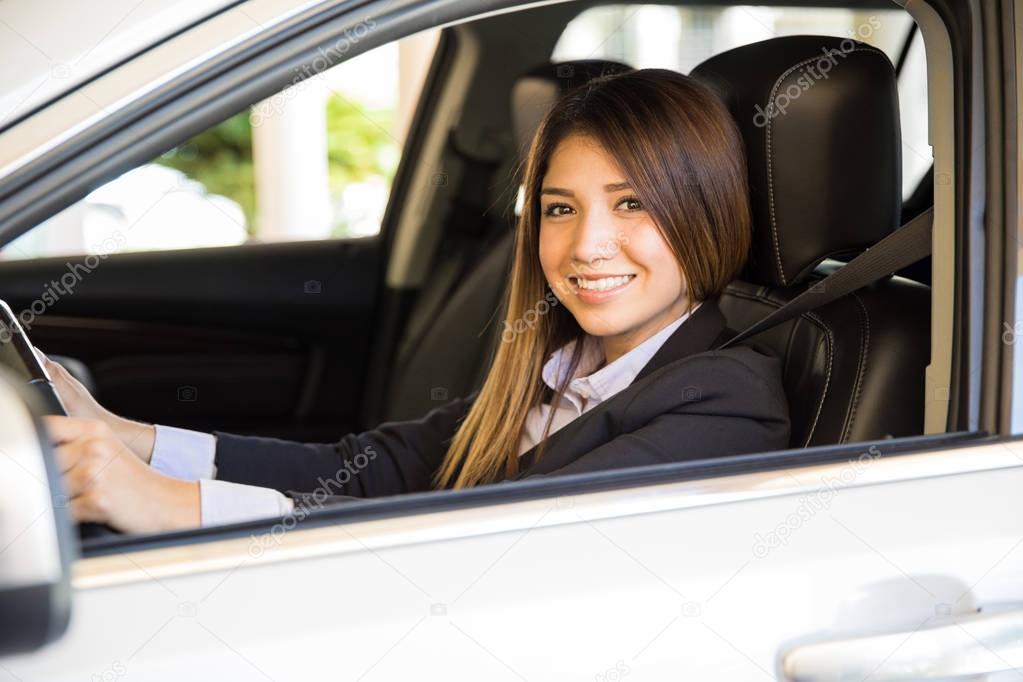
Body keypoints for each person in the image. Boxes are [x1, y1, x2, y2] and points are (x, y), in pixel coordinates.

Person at [41, 68, 791, 534]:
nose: (586, 246)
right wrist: (131, 438)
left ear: (706, 211)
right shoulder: (564, 361)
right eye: (560, 209)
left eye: (631, 204)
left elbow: (491, 540)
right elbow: (373, 472)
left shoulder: (722, 400)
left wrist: (168, 506)